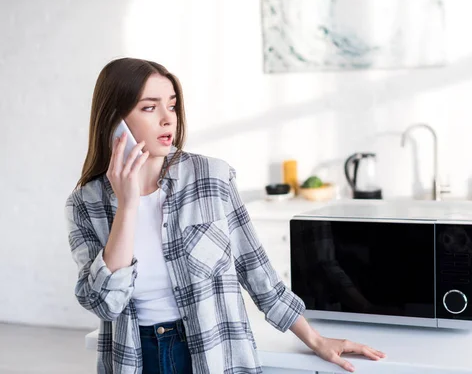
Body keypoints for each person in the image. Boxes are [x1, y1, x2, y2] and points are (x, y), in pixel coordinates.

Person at [64, 57, 386, 374]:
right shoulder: (84, 204)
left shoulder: (211, 178)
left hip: (212, 354)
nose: (167, 119)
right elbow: (106, 304)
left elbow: (256, 270)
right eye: (149, 107)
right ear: (115, 121)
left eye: (172, 105)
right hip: (134, 358)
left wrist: (315, 340)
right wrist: (128, 205)